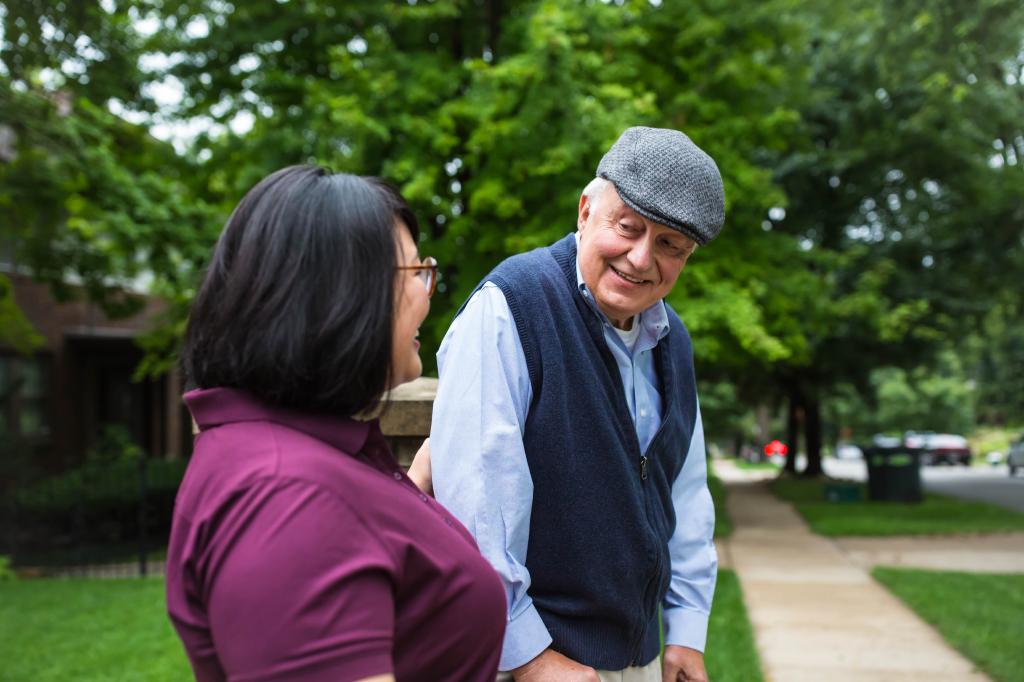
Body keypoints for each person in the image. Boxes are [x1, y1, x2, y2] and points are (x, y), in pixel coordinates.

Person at [166, 165, 507, 682]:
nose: (427, 290)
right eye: (415, 273)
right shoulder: (289, 498)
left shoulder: (279, 454)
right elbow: (316, 540)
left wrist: (408, 496)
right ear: (342, 294)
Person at [430, 127, 725, 682]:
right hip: (521, 663)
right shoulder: (510, 308)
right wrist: (528, 657)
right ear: (586, 210)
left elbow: (684, 493)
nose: (641, 259)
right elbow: (476, 505)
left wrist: (686, 629)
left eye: (670, 246)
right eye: (628, 228)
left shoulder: (673, 341)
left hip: (633, 657)